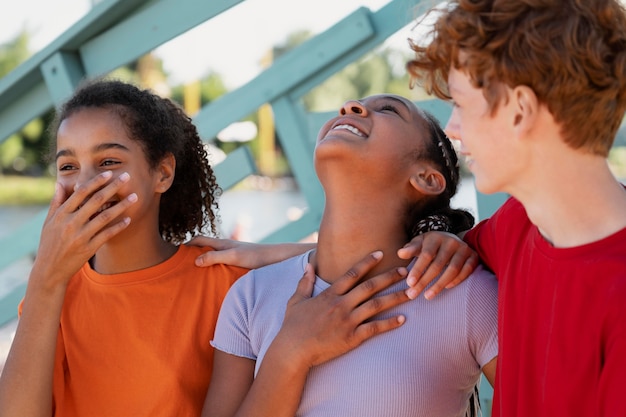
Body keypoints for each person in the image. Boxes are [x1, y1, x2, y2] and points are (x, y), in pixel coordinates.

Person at [201, 94, 498, 417]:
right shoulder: (250, 295)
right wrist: (289, 353)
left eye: (389, 110)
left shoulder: (465, 295)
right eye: (349, 105)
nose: (350, 107)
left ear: (426, 179)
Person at [405, 0, 626, 415]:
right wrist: (445, 242)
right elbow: (428, 255)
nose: (451, 128)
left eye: (461, 104)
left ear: (520, 110)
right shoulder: (517, 224)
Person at [0, 78, 254, 417]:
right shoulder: (51, 296)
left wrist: (269, 253)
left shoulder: (226, 284)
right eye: (68, 167)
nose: (86, 184)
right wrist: (45, 278)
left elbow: (347, 266)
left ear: (163, 173)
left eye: (108, 162)